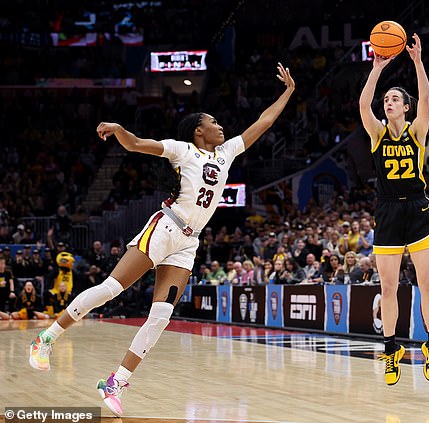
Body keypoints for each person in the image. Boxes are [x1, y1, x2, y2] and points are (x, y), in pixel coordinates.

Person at [28, 63, 295, 416]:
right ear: (199, 130)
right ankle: (46, 338)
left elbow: (263, 123)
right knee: (112, 289)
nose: (220, 126)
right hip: (166, 226)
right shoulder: (182, 150)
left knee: (161, 315)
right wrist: (120, 129)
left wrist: (288, 92)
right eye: (213, 122)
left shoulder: (227, 153)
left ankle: (117, 381)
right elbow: (137, 144)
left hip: (189, 242)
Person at [359, 33, 429, 385]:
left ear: (405, 107)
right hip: (388, 211)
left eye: (395, 99)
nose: (388, 102)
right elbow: (363, 106)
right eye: (387, 100)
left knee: (427, 284)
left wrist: (418, 62)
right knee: (389, 288)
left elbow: (425, 97)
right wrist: (377, 69)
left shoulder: (418, 131)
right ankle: (391, 348)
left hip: (418, 210)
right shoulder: (377, 134)